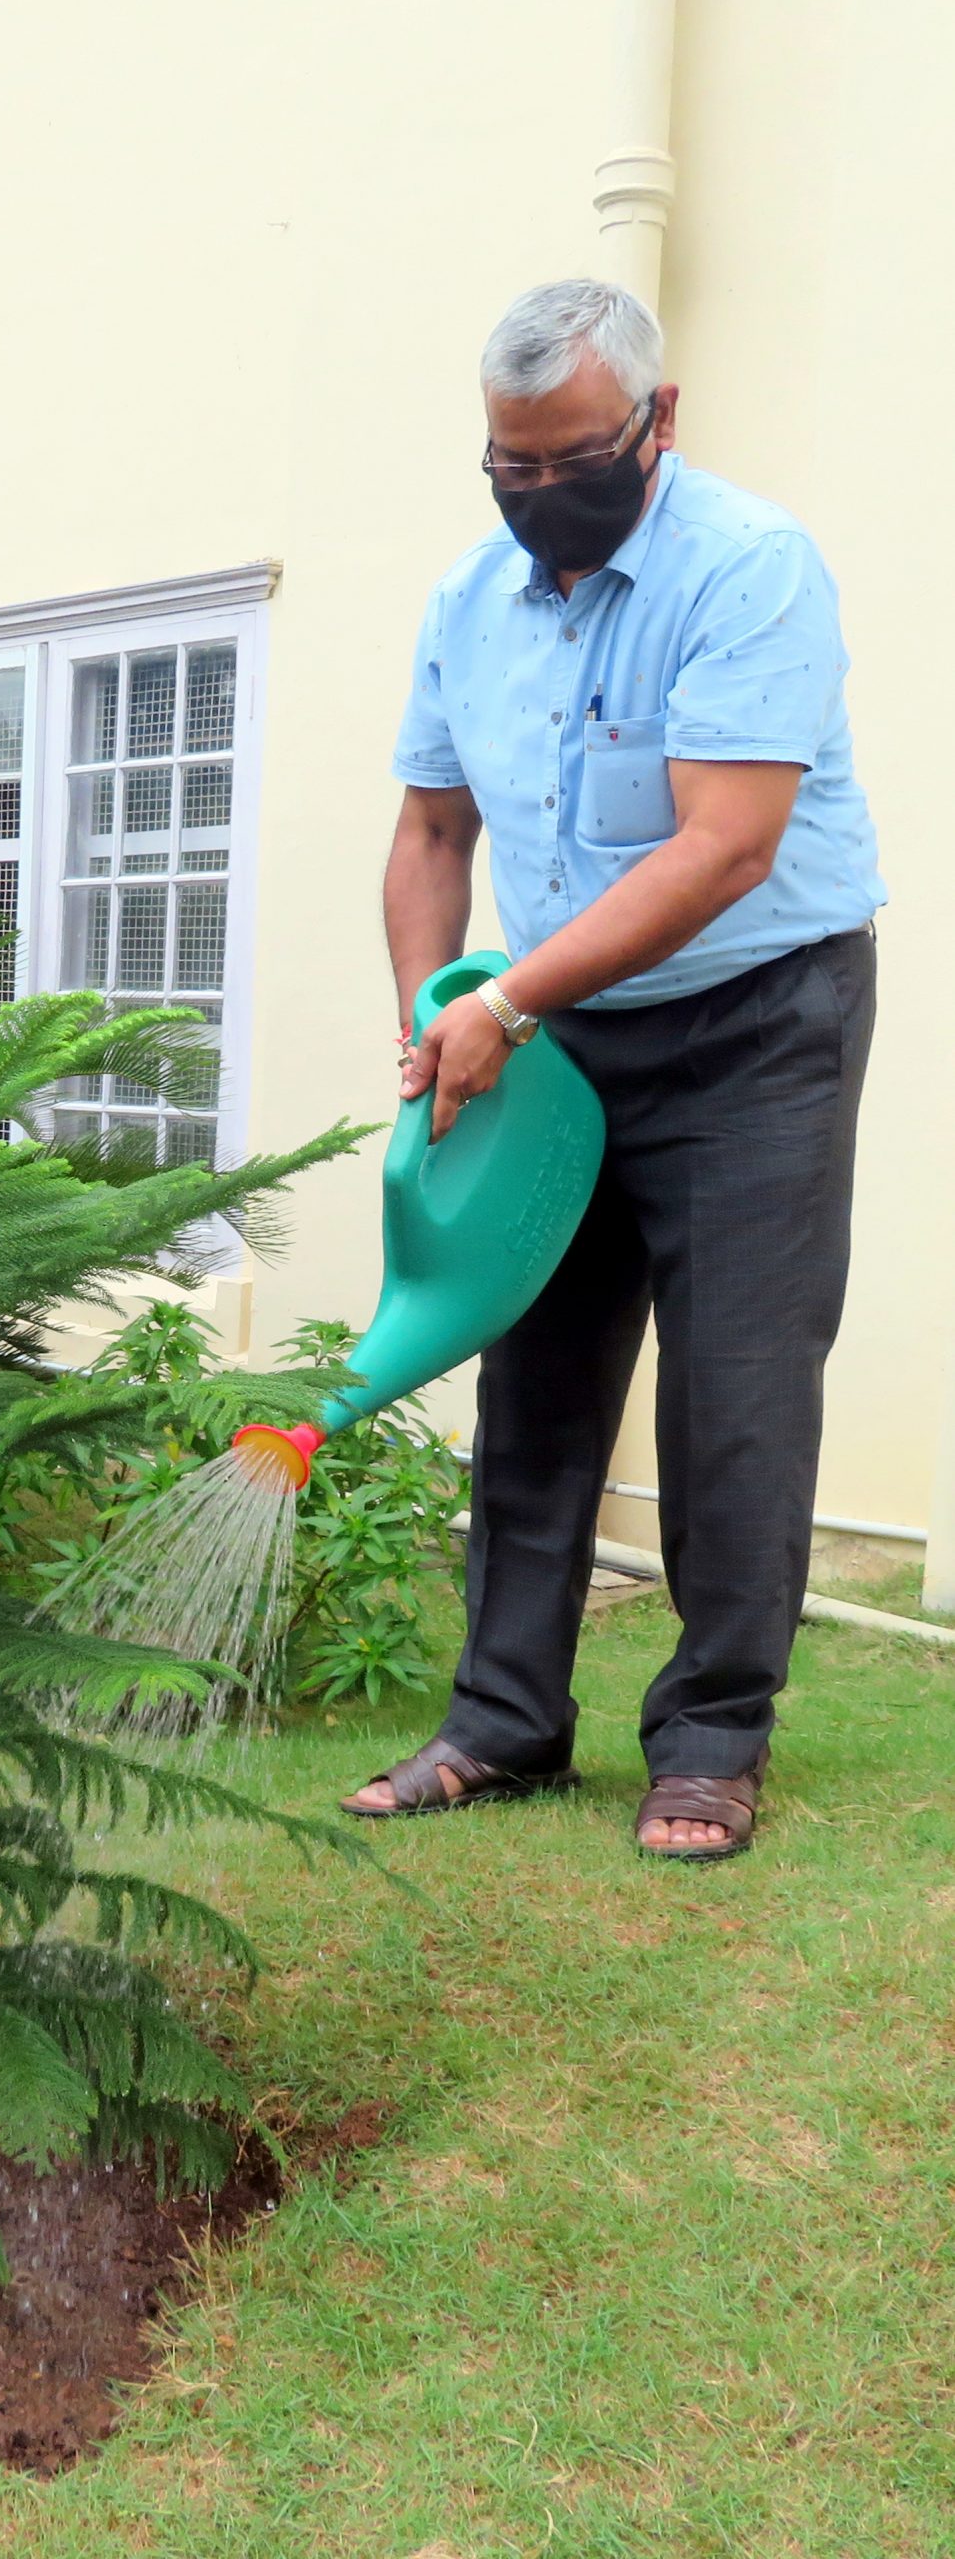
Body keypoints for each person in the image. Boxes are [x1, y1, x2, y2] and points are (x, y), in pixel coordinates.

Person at [341, 279, 883, 1861]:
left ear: (658, 425)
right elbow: (434, 830)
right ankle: (502, 1723)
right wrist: (433, 1011)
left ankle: (712, 1738)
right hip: (556, 1026)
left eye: (572, 457)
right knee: (538, 1373)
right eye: (509, 468)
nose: (538, 494)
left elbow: (727, 847)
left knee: (738, 1390)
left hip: (755, 1020)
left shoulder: (748, 570)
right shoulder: (468, 602)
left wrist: (503, 998)